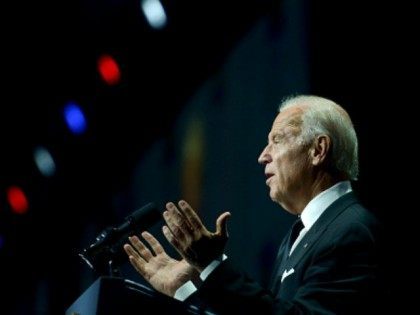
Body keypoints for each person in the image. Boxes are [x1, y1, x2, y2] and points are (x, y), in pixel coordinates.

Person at [123, 95, 385, 314]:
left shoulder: (351, 230)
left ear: (318, 150)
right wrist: (184, 289)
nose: (262, 156)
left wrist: (212, 266)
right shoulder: (298, 236)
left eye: (277, 140)